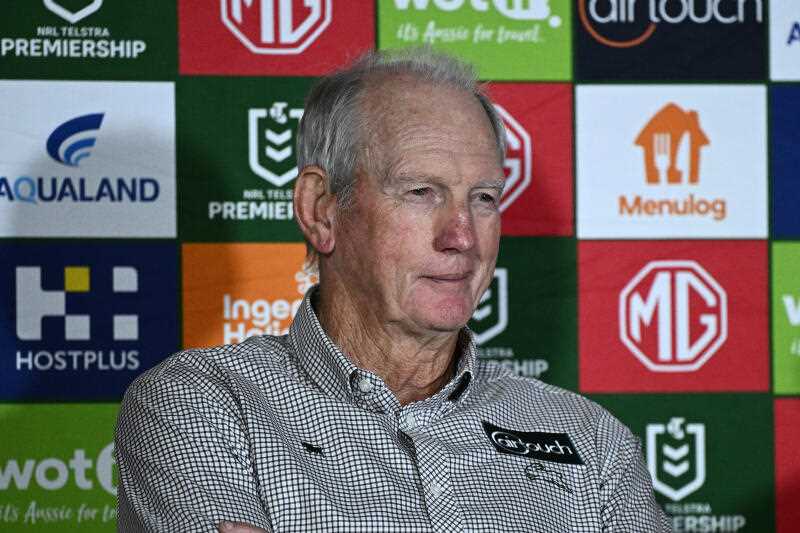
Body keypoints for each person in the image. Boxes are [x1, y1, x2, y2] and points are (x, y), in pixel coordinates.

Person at [115, 49, 671, 532]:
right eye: (421, 191)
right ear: (321, 210)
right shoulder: (203, 404)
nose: (462, 236)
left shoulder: (592, 441)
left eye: (483, 198)